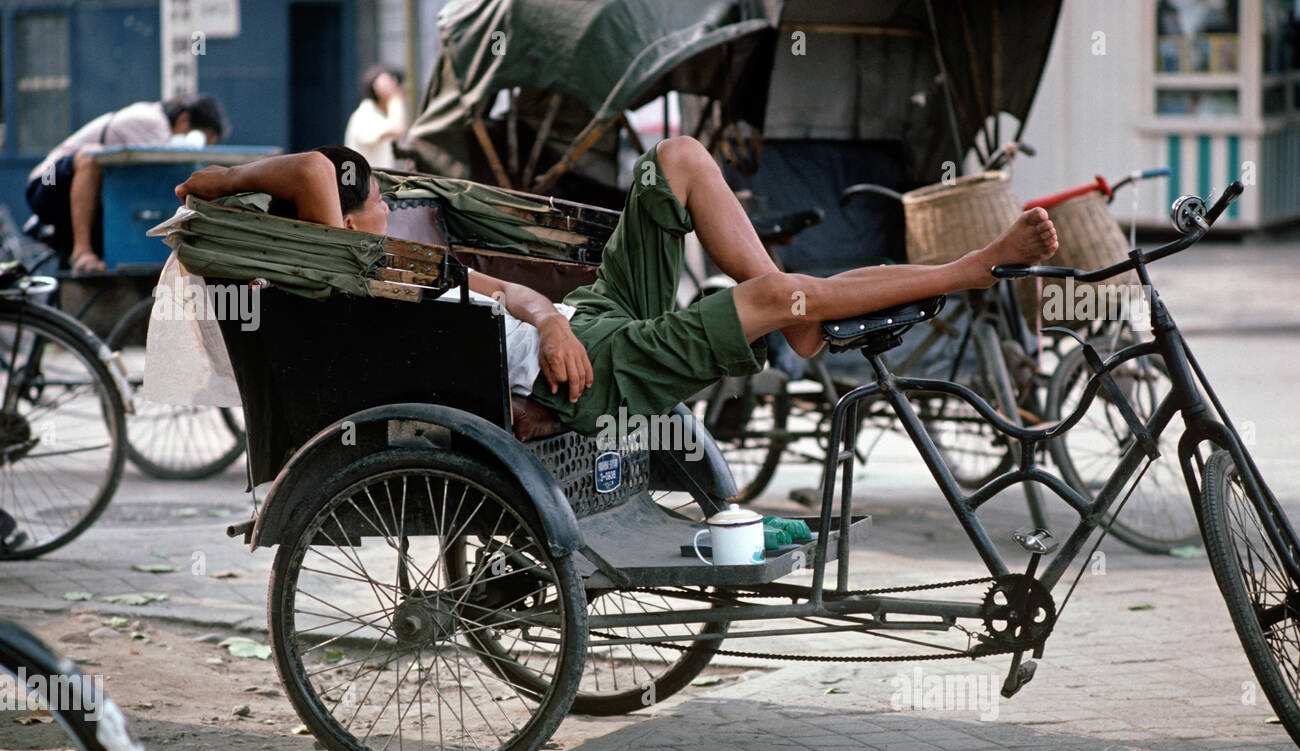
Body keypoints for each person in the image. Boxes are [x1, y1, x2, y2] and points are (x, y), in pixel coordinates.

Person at [173, 141, 1057, 440]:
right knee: (789, 297)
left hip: (584, 331)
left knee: (676, 161)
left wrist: (552, 311)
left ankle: (795, 322)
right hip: (589, 377)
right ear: (318, 228)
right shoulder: (351, 278)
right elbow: (310, 169)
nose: (386, 217)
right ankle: (972, 265)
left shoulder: (407, 267)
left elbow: (509, 295)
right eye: (365, 212)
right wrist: (223, 183)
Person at [27, 94, 229, 273]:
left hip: (91, 201)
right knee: (91, 155)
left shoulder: (155, 122)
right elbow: (167, 170)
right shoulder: (150, 120)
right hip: (47, 184)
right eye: (203, 137)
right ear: (184, 119)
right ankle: (81, 251)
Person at [344, 66, 408, 170]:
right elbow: (398, 129)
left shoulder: (380, 116)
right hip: (363, 184)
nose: (403, 96)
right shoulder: (366, 115)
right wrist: (394, 96)